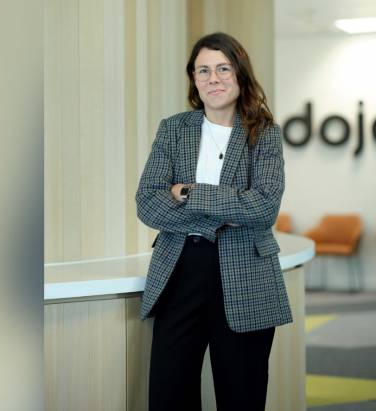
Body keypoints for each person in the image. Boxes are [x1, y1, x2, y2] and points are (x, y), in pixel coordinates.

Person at [135, 32, 292, 411]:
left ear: (240, 74)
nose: (213, 79)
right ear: (193, 78)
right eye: (203, 70)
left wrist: (188, 192)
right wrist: (230, 206)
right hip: (179, 270)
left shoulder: (264, 133)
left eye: (223, 68)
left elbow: (264, 207)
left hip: (245, 273)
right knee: (169, 396)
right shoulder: (174, 129)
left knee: (242, 396)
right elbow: (148, 202)